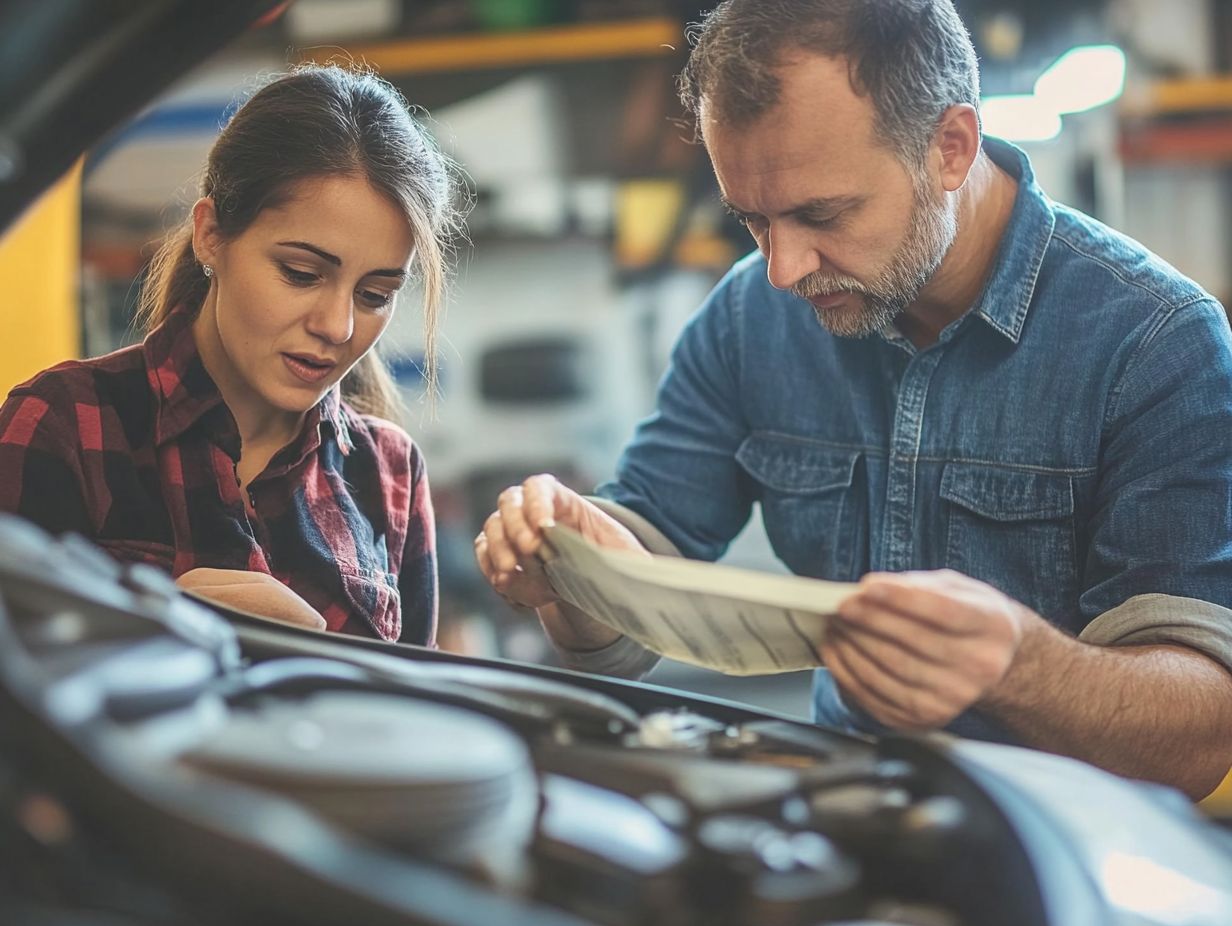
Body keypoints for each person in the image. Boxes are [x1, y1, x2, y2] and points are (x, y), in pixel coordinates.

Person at [475, 0, 1232, 799]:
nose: (784, 270)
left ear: (950, 147)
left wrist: (1021, 664)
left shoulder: (1155, 344)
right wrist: (573, 566)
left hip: (1072, 855)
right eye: (753, 221)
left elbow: (1198, 737)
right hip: (843, 821)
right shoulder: (748, 316)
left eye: (821, 214)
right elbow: (627, 613)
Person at [0, 64, 461, 644]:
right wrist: (153, 633)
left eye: (375, 295)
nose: (338, 326)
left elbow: (414, 721)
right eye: (300, 273)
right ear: (210, 234)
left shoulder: (390, 473)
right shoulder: (65, 425)